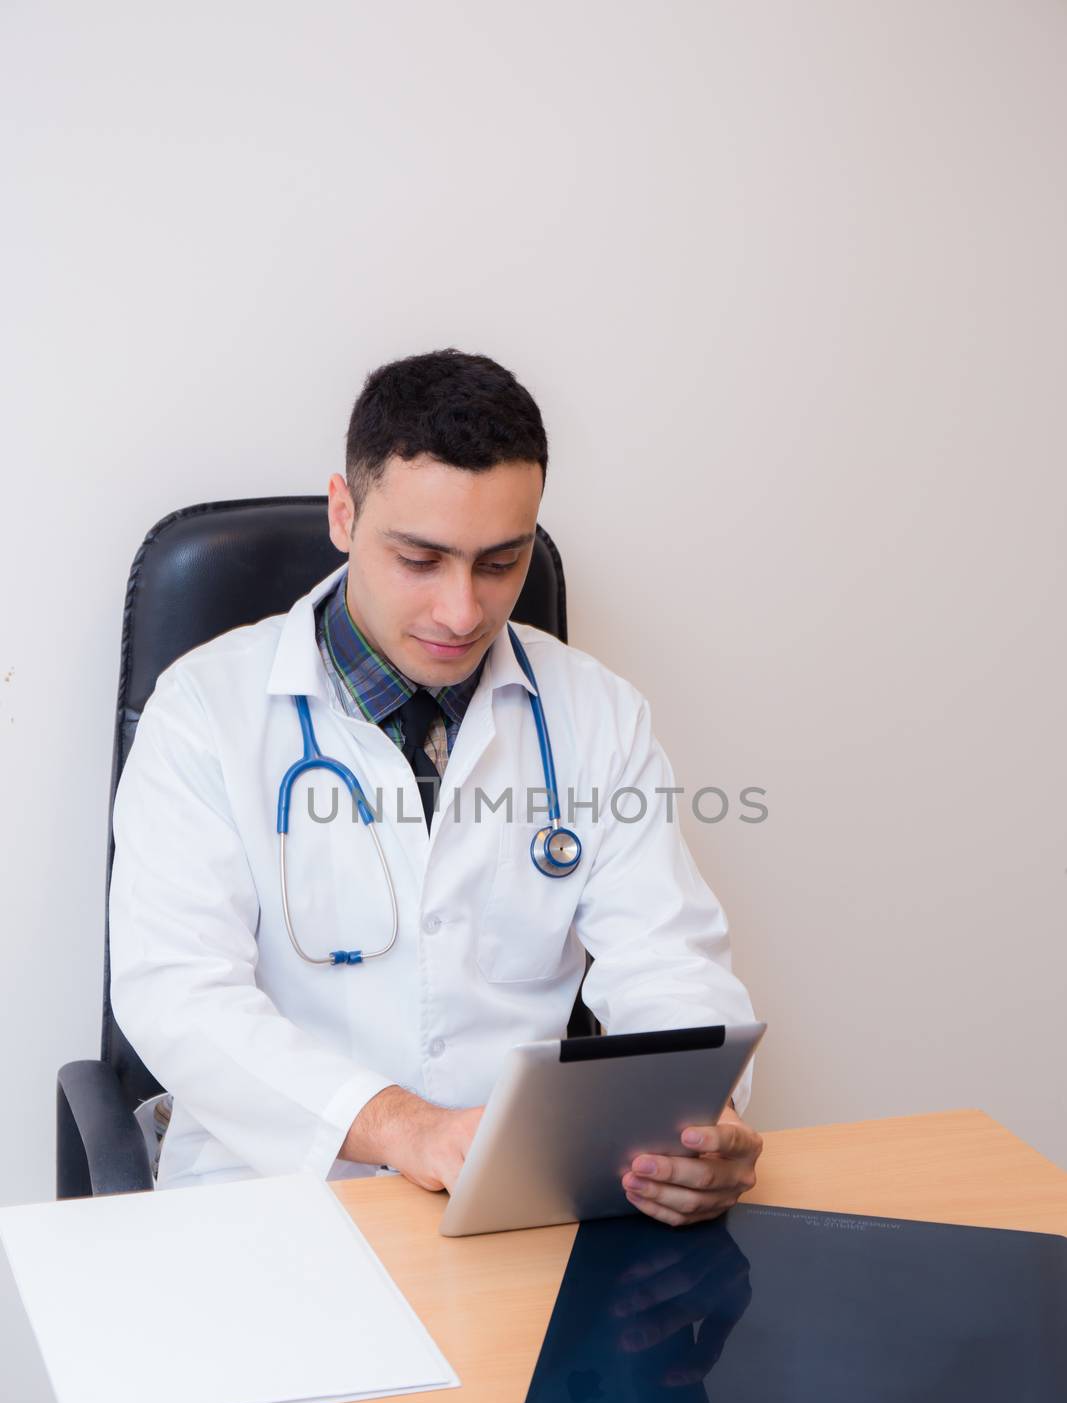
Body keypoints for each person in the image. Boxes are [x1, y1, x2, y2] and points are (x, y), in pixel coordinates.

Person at [109, 348, 763, 1225]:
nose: (462, 612)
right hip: (272, 1201)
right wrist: (402, 1129)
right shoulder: (203, 712)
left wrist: (696, 1121)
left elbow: (666, 962)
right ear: (344, 513)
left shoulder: (596, 714)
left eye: (501, 563)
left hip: (520, 1204)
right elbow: (178, 995)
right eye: (420, 559)